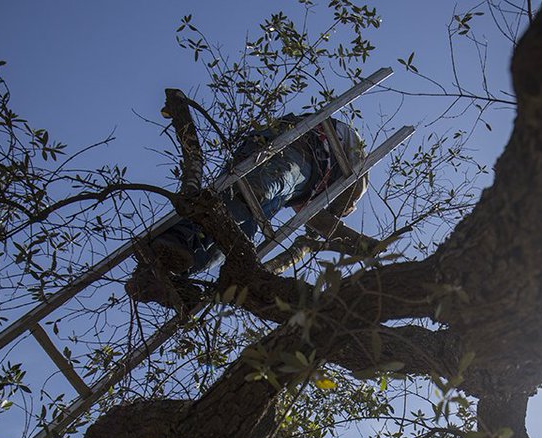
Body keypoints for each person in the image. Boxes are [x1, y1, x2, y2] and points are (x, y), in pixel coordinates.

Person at [125, 114, 378, 307]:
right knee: (255, 189)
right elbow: (332, 208)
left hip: (283, 189)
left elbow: (314, 218)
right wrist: (358, 239)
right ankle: (174, 238)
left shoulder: (313, 190)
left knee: (235, 242)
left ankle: (168, 274)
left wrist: (356, 242)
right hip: (293, 151)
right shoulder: (349, 170)